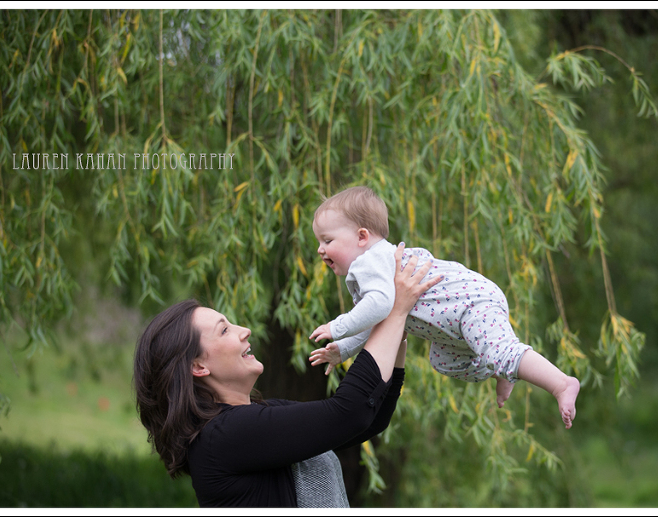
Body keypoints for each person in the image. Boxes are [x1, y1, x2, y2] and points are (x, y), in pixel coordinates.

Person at [133, 245, 442, 507]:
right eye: (225, 330)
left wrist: (394, 326)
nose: (245, 331)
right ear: (198, 367)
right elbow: (347, 413)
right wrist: (394, 309)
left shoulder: (260, 415)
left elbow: (367, 421)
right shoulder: (223, 437)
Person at [309, 186, 581, 429]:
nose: (321, 250)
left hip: (470, 304)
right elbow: (377, 323)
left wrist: (337, 327)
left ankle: (560, 383)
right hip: (454, 322)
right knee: (443, 361)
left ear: (361, 236)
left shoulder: (369, 262)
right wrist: (343, 350)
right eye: (319, 242)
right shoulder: (375, 267)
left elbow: (378, 306)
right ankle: (503, 366)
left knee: (500, 351)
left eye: (328, 241)